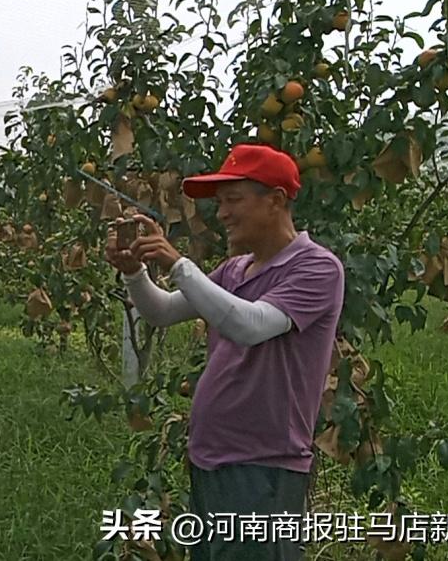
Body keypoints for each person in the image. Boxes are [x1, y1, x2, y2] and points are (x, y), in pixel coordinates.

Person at [104, 144, 344, 561]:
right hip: (211, 459)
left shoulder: (317, 268)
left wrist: (179, 265)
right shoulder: (235, 270)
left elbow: (250, 326)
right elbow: (162, 311)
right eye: (220, 203)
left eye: (233, 200)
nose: (222, 214)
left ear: (276, 200)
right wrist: (134, 273)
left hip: (264, 465)